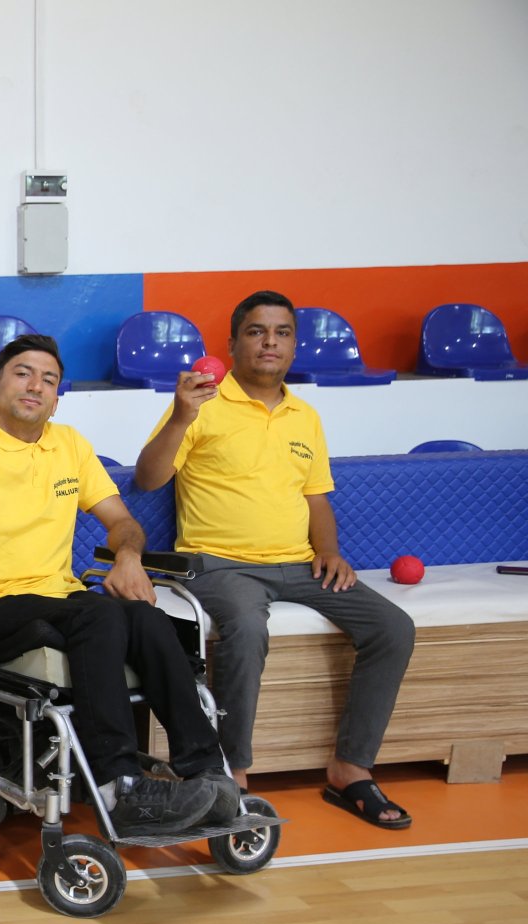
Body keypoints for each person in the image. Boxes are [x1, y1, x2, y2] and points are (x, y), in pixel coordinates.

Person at [0, 334, 238, 835]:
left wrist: (128, 558)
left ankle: (209, 772)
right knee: (97, 610)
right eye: (22, 373)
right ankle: (118, 786)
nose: (35, 385)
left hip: (57, 602)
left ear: (58, 398)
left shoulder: (71, 446)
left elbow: (123, 522)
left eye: (49, 379)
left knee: (147, 617)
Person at [134, 290, 415, 828]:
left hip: (299, 564)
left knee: (393, 627)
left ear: (293, 345)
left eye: (282, 332)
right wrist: (179, 416)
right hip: (219, 564)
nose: (270, 342)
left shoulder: (304, 415)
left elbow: (315, 497)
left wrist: (329, 551)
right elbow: (148, 479)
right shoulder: (202, 403)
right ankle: (232, 774)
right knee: (244, 625)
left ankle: (350, 770)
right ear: (234, 343)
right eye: (257, 331)